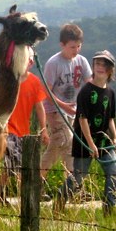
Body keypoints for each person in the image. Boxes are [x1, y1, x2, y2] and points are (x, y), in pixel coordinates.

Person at [54, 50, 116, 216]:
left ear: (111, 69)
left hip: (104, 141)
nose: (100, 67)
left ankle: (109, 211)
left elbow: (110, 118)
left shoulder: (110, 93)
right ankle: (59, 203)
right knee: (78, 177)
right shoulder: (86, 91)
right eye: (97, 63)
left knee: (114, 172)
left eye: (104, 64)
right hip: (85, 140)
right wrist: (90, 145)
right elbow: (82, 120)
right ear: (93, 67)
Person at [40, 24, 93, 200]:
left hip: (74, 111)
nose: (76, 50)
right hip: (56, 111)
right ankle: (75, 188)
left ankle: (35, 184)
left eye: (79, 46)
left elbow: (90, 83)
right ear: (62, 45)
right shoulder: (53, 63)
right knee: (70, 146)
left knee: (54, 150)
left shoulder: (82, 61)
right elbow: (46, 91)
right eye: (72, 47)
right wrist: (64, 106)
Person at [0, 49, 49, 202]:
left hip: (24, 131)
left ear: (32, 63)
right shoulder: (9, 81)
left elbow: (39, 107)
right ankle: (29, 195)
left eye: (30, 60)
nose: (28, 63)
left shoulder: (34, 82)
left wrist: (44, 129)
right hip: (8, 129)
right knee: (16, 161)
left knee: (11, 165)